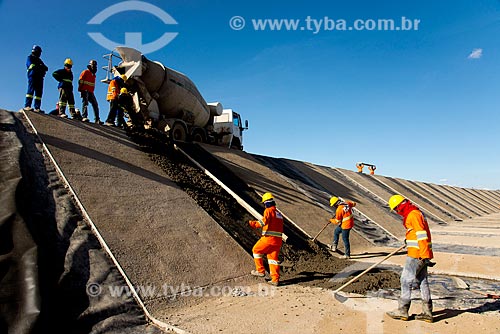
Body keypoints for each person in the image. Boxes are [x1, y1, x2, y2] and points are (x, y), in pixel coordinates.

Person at [386, 194, 435, 323]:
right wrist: (408, 239)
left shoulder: (413, 214)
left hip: (416, 254)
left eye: (396, 209)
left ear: (400, 206)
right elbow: (415, 232)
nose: (397, 212)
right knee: (422, 281)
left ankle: (402, 310)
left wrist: (424, 256)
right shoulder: (415, 213)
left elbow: (422, 235)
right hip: (421, 253)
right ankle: (427, 312)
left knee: (405, 280)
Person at [248, 192, 284, 286]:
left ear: (265, 202)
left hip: (268, 239)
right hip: (278, 241)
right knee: (272, 259)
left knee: (256, 250)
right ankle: (275, 279)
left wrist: (253, 224)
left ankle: (260, 271)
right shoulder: (279, 214)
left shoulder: (268, 210)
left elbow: (264, 222)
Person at [24, 45, 48, 112]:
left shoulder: (39, 60)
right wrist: (40, 67)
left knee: (38, 93)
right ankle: (27, 106)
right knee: (30, 91)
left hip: (39, 77)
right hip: (33, 76)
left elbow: (46, 68)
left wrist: (41, 67)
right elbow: (31, 65)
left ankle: (37, 107)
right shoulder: (30, 58)